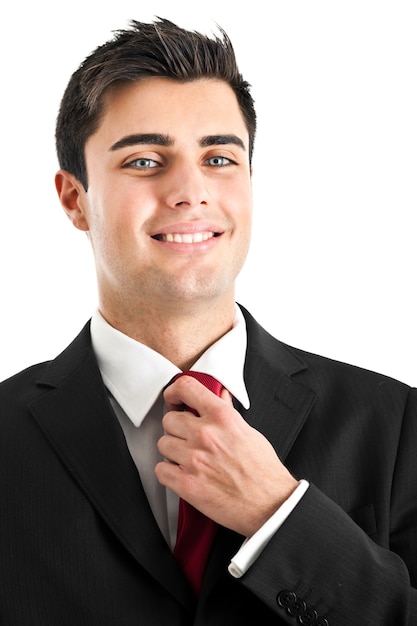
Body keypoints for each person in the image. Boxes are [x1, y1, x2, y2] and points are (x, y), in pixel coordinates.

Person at [0, 17, 415, 626]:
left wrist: (280, 517)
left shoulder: (399, 426)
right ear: (74, 199)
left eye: (219, 157)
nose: (191, 191)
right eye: (144, 160)